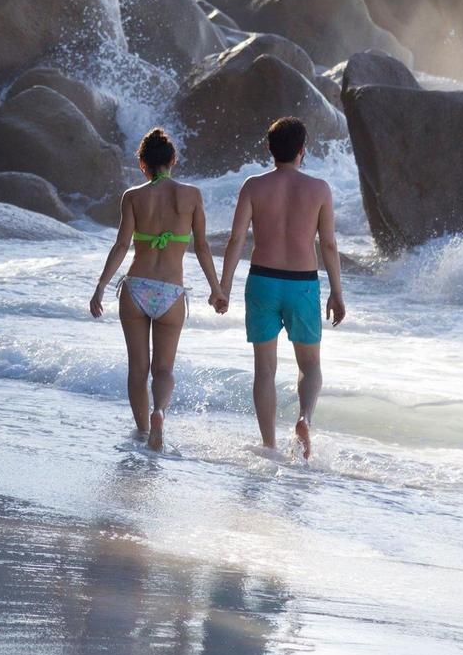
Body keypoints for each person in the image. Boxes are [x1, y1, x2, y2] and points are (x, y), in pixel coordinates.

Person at [90, 127, 227, 450]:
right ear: (173, 161)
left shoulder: (133, 197)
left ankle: (141, 433)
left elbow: (122, 245)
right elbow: (203, 247)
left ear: (142, 165)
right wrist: (216, 289)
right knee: (163, 368)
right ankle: (159, 412)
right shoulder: (192, 195)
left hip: (135, 288)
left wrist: (100, 287)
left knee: (138, 368)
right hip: (171, 293)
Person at [219, 116, 346, 459]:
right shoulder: (319, 189)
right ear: (303, 150)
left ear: (269, 149)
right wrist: (337, 291)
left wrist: (223, 287)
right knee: (310, 366)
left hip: (262, 281)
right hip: (301, 285)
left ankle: (269, 445)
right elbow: (329, 245)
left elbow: (235, 239)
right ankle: (304, 418)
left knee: (265, 368)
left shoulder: (253, 186)